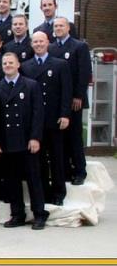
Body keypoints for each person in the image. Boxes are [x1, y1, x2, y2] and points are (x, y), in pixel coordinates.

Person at [0, 52, 48, 230]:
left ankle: (39, 214)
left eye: (11, 63)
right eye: (4, 63)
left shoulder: (31, 85)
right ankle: (17, 214)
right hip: (7, 141)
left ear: (18, 65)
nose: (7, 65)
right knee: (11, 180)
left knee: (33, 179)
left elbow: (38, 115)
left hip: (26, 140)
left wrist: (35, 138)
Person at [21, 32, 72, 205]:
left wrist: (65, 114)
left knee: (56, 157)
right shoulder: (26, 66)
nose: (38, 44)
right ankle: (44, 192)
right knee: (39, 159)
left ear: (48, 43)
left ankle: (59, 193)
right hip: (35, 121)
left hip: (53, 119)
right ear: (31, 44)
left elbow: (66, 91)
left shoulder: (60, 64)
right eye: (35, 42)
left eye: (41, 41)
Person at [49, 17, 91, 185]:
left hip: (74, 99)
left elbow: (84, 73)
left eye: (61, 25)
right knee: (61, 138)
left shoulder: (79, 46)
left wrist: (78, 95)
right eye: (56, 26)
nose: (58, 28)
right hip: (57, 100)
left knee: (74, 135)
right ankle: (65, 170)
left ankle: (80, 171)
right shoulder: (51, 47)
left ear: (68, 28)